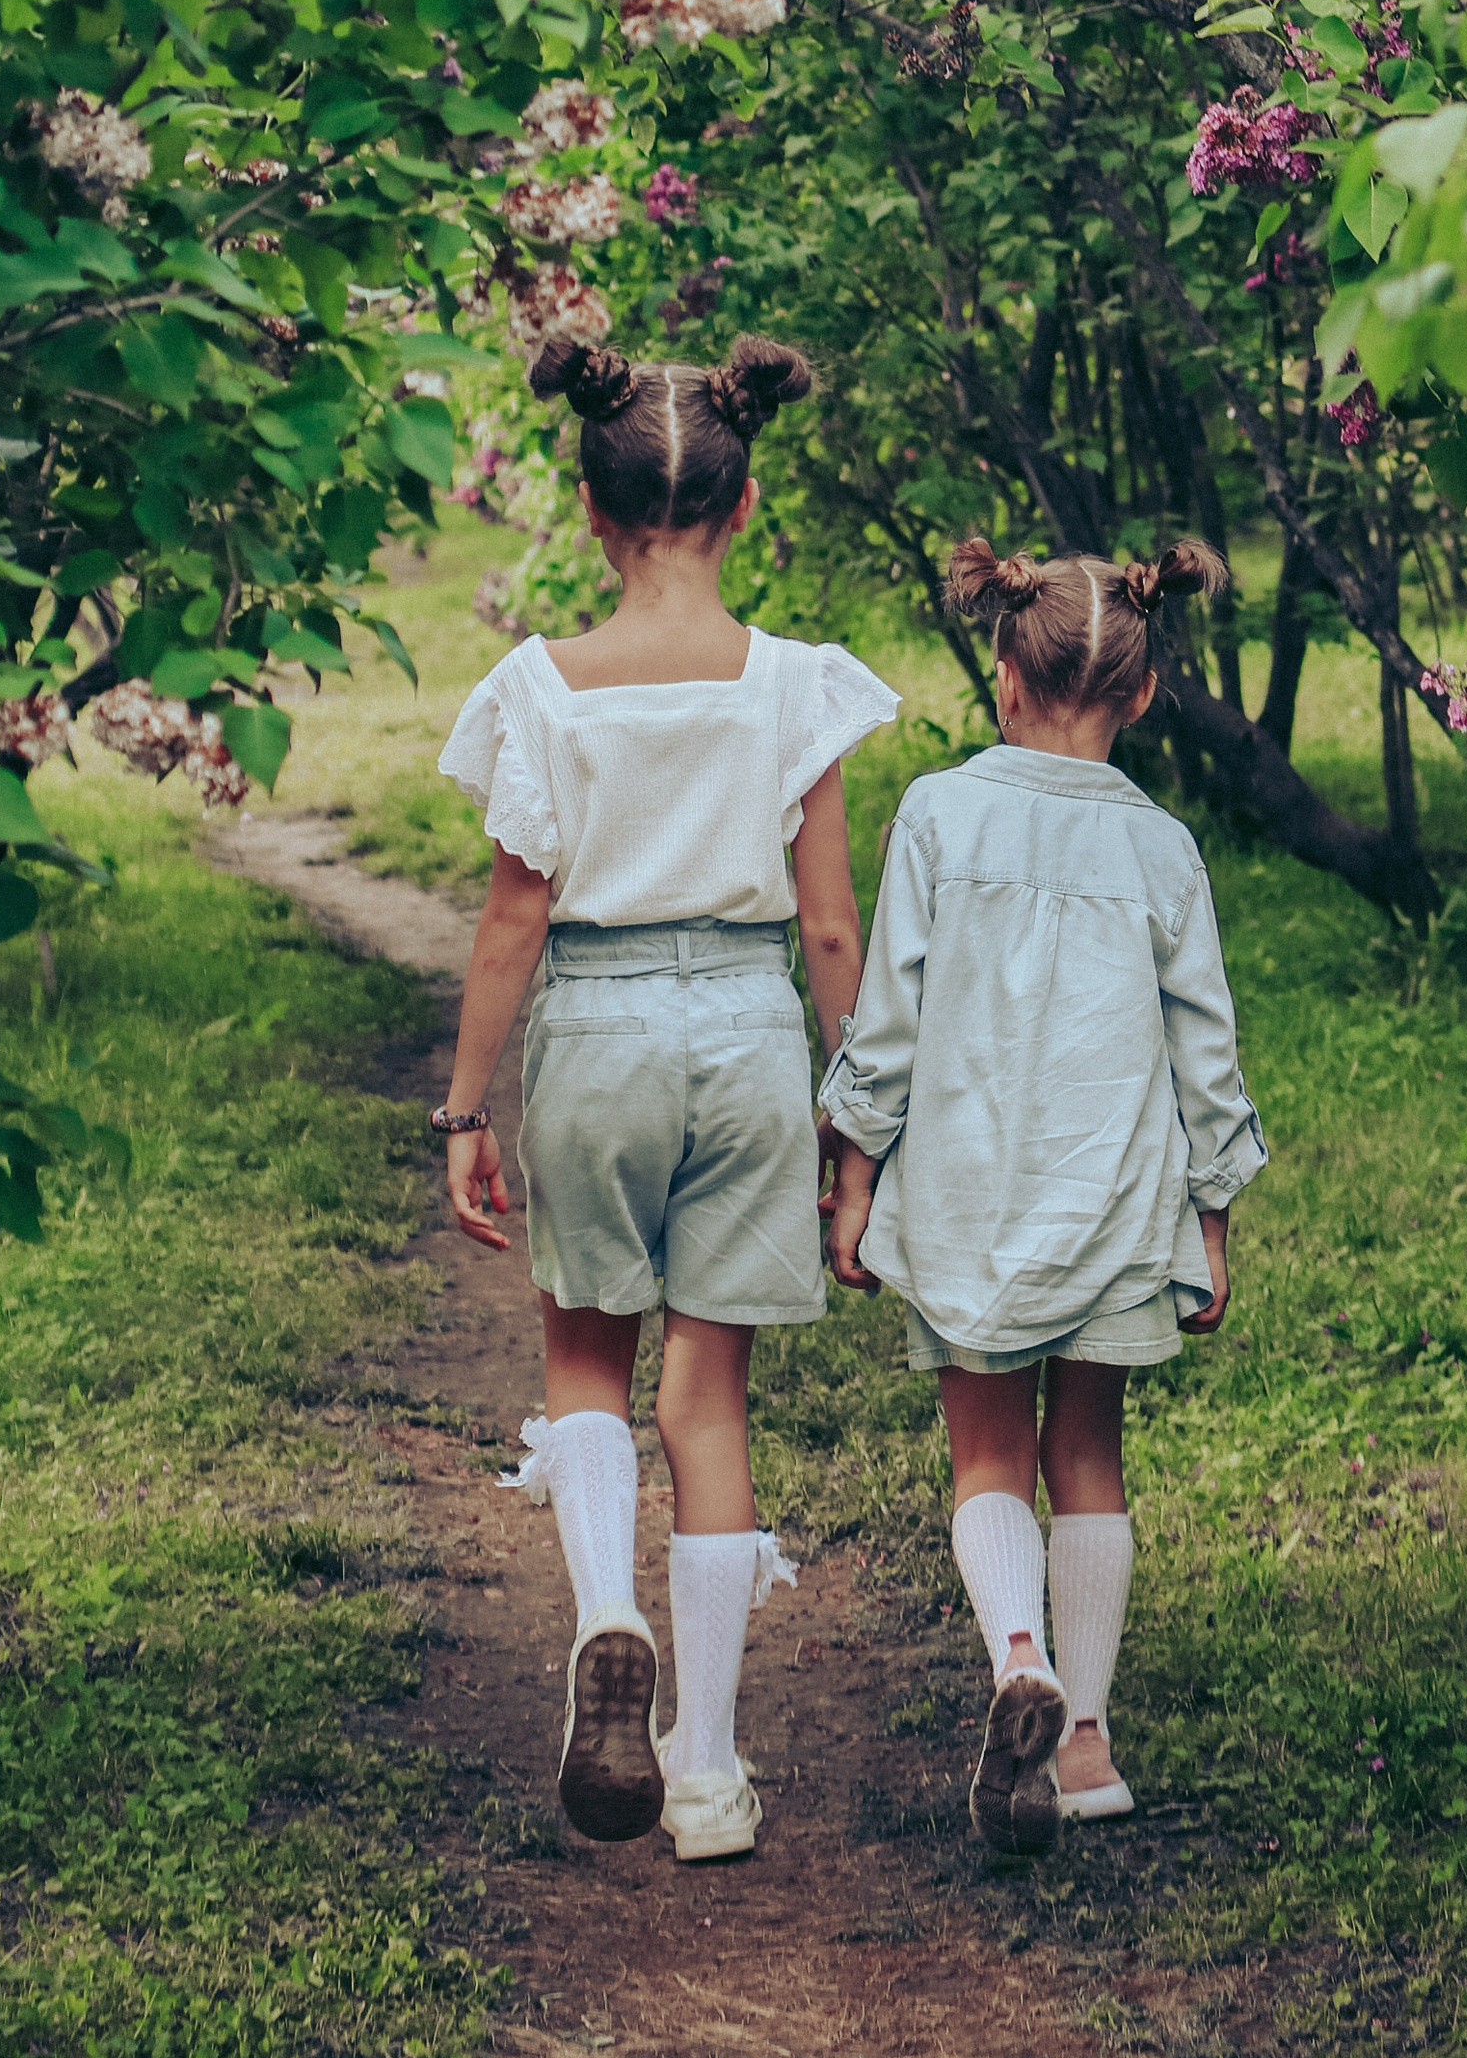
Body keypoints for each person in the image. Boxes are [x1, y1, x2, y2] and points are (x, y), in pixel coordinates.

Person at [433, 333, 896, 1865]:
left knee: (587, 1361)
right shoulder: (795, 690)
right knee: (710, 1398)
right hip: (753, 1039)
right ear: (746, 506)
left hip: (600, 1030)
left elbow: (512, 920)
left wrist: (463, 1111)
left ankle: (606, 1609)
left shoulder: (540, 692)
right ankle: (703, 1773)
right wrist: (857, 1126)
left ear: (588, 508)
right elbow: (832, 928)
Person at [821, 535, 1265, 1855]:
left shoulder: (942, 816)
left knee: (987, 1461)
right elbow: (1207, 1044)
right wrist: (1212, 1216)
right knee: (1090, 1461)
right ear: (1138, 696)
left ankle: (1020, 1652)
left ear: (1003, 676)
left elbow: (886, 1024)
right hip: (1120, 1204)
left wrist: (854, 1178)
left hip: (970, 1198)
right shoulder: (1165, 850)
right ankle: (1085, 1747)